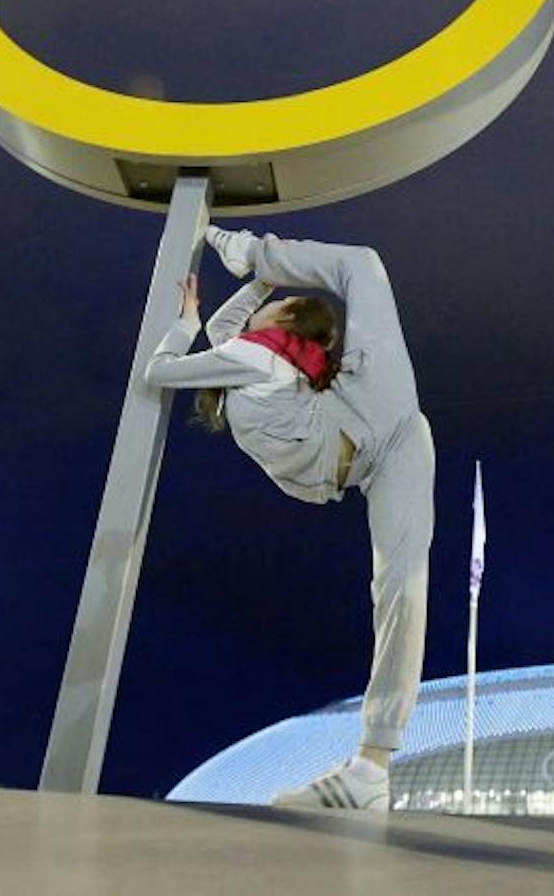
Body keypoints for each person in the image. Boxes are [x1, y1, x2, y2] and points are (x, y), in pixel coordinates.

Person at [143, 227, 435, 812]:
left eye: (270, 301)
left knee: (400, 585)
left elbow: (161, 371)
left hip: (383, 421)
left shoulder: (251, 357)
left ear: (282, 322)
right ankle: (371, 775)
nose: (260, 302)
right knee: (396, 586)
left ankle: (372, 765)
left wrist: (241, 271)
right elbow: (224, 330)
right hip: (361, 435)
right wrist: (258, 285)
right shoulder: (251, 356)